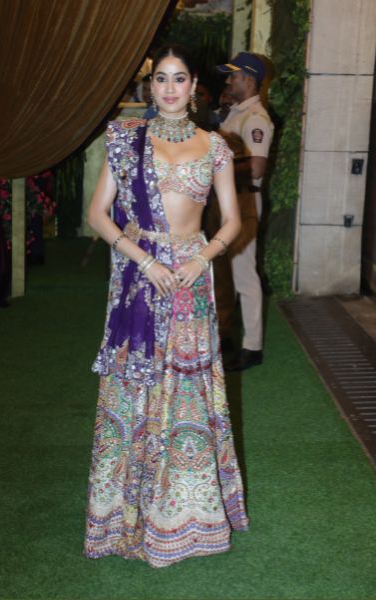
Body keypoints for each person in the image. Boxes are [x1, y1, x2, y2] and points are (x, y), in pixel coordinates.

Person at [84, 44, 248, 568]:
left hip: (191, 279)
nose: (170, 88)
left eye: (179, 79)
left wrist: (202, 259)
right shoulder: (124, 139)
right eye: (161, 79)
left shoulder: (216, 146)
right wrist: (145, 260)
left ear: (194, 86)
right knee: (136, 385)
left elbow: (232, 221)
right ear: (149, 86)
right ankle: (126, 511)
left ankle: (186, 514)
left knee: (187, 387)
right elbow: (98, 215)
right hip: (139, 276)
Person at [215, 52, 275, 372]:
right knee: (226, 274)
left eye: (233, 76)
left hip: (244, 201)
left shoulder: (255, 118)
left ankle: (252, 347)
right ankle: (225, 336)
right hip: (230, 201)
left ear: (249, 80)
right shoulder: (236, 113)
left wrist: (214, 170)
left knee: (243, 274)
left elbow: (256, 167)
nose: (228, 81)